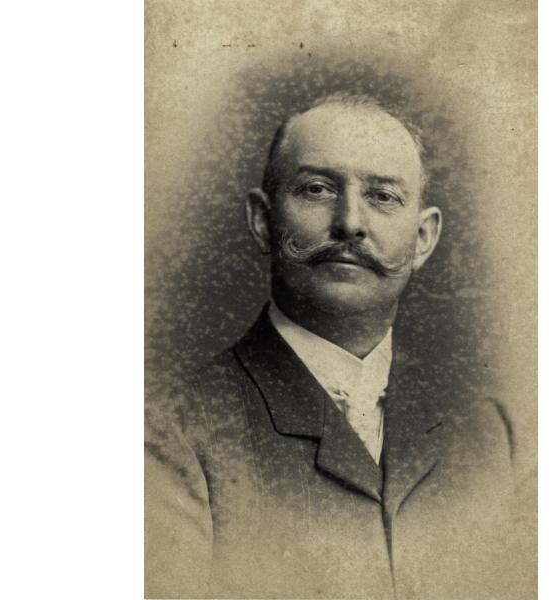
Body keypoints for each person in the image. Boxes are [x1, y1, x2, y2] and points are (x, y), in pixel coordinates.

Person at [145, 93, 520, 599]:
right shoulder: (169, 434)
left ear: (424, 238)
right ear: (263, 219)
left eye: (383, 196)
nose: (350, 223)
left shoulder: (488, 434)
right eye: (318, 189)